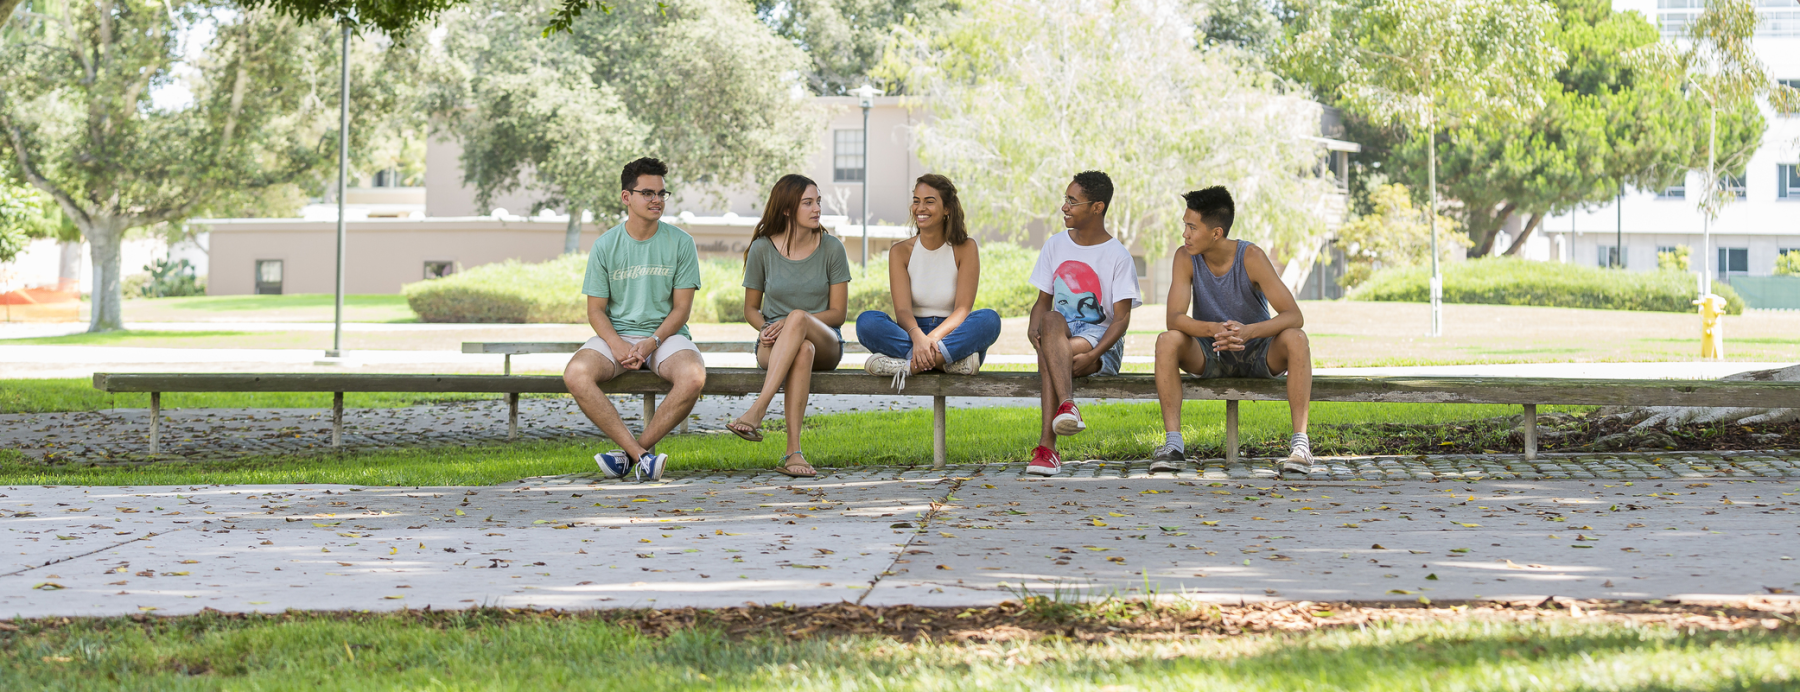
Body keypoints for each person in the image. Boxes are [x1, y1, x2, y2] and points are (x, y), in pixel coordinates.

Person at [1151, 186, 1314, 476]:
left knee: (1297, 339)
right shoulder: (1185, 257)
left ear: (1216, 233)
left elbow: (1293, 316)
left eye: (1192, 227)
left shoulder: (1250, 256)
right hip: (1210, 351)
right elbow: (1174, 318)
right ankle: (1173, 446)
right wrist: (1212, 328)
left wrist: (1249, 332)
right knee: (1167, 341)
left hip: (1258, 352)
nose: (1185, 234)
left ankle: (1300, 445)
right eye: (1184, 226)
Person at [563, 157, 706, 482]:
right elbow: (596, 310)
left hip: (664, 338)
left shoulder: (681, 243)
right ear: (627, 197)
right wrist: (615, 344)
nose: (657, 200)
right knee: (576, 374)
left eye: (661, 193)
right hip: (617, 337)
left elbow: (681, 309)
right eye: (648, 193)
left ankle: (631, 456)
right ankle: (642, 457)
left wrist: (651, 341)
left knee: (693, 377)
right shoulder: (605, 246)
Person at [725, 174, 852, 478]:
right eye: (807, 203)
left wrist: (793, 321)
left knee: (798, 320)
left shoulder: (832, 248)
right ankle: (793, 454)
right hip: (775, 345)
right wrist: (765, 328)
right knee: (801, 349)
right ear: (786, 209)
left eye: (817, 201)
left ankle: (757, 411)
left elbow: (838, 313)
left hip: (826, 342)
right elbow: (751, 309)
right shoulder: (762, 249)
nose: (816, 208)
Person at [1024, 170, 1140, 477]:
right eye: (1065, 199)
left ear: (1097, 207)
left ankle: (1047, 447)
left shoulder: (1117, 256)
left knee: (1052, 355)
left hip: (1102, 343)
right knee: (1050, 323)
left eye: (1073, 201)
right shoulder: (1054, 245)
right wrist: (1032, 329)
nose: (1064, 207)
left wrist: (1093, 354)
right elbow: (1042, 304)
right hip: (1062, 336)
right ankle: (1068, 406)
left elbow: (1122, 319)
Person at [857, 174, 1001, 391]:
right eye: (916, 201)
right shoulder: (900, 252)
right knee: (866, 322)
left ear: (947, 209)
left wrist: (931, 340)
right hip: (911, 333)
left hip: (954, 336)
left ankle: (910, 365)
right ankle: (947, 364)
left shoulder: (966, 248)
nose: (920, 208)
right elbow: (903, 311)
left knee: (989, 320)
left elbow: (963, 309)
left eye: (929, 201)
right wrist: (919, 339)